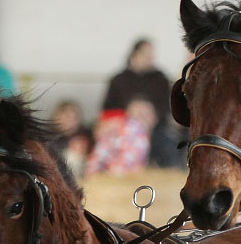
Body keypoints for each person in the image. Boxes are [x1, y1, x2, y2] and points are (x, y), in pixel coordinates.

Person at [102, 38, 180, 168]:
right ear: (134, 54)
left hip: (155, 127)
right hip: (123, 127)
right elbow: (108, 109)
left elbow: (168, 107)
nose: (150, 58)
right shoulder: (119, 80)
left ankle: (169, 171)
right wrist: (127, 118)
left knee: (167, 143)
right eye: (146, 54)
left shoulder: (160, 79)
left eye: (151, 54)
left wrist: (150, 119)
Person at [85, 100, 153, 176]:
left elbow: (128, 160)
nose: (139, 121)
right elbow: (98, 155)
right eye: (136, 116)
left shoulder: (139, 137)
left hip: (126, 176)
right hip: (113, 175)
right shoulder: (111, 135)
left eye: (144, 115)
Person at [50, 99, 94, 181]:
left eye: (74, 118)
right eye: (66, 117)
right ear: (56, 118)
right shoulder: (50, 136)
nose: (70, 122)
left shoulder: (85, 133)